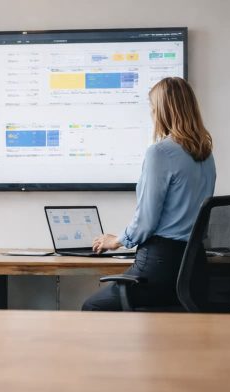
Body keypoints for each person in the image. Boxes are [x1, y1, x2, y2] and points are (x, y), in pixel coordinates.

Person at [82, 77, 216, 311]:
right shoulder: (205, 154)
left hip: (160, 266)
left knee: (93, 307)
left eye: (153, 110)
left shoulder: (161, 152)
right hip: (195, 269)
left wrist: (116, 241)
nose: (152, 116)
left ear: (163, 112)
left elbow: (146, 220)